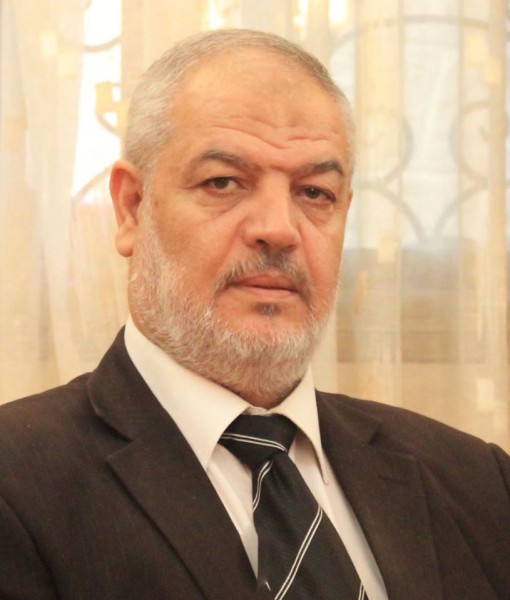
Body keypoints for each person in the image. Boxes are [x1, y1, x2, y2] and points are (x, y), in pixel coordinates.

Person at [0, 29, 509, 600]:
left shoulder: (479, 482)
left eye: (314, 193)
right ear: (132, 208)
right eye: (223, 183)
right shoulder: (17, 484)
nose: (279, 229)